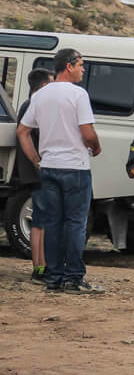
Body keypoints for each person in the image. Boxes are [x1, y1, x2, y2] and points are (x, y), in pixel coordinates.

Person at [17, 48, 103, 294]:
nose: (83, 70)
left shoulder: (41, 95)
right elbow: (87, 132)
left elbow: (23, 131)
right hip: (75, 166)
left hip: (49, 167)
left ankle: (54, 278)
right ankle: (74, 278)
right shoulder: (78, 94)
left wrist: (36, 159)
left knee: (52, 224)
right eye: (81, 65)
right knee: (76, 223)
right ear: (69, 66)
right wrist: (96, 147)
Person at [14, 68, 54, 284]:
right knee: (43, 222)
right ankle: (41, 269)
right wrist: (39, 162)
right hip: (37, 172)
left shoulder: (26, 105)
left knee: (39, 221)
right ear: (44, 86)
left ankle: (39, 268)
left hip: (31, 172)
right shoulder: (34, 106)